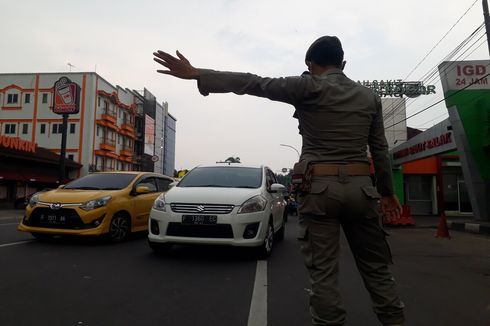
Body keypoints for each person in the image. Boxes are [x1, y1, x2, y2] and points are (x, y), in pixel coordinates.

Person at [153, 35, 405, 326]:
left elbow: (252, 82)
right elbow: (380, 149)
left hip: (320, 190)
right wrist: (387, 193)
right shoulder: (369, 97)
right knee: (377, 269)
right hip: (363, 191)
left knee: (324, 272)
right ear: (343, 63)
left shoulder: (306, 85)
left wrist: (199, 74)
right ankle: (395, 321)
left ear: (310, 64)